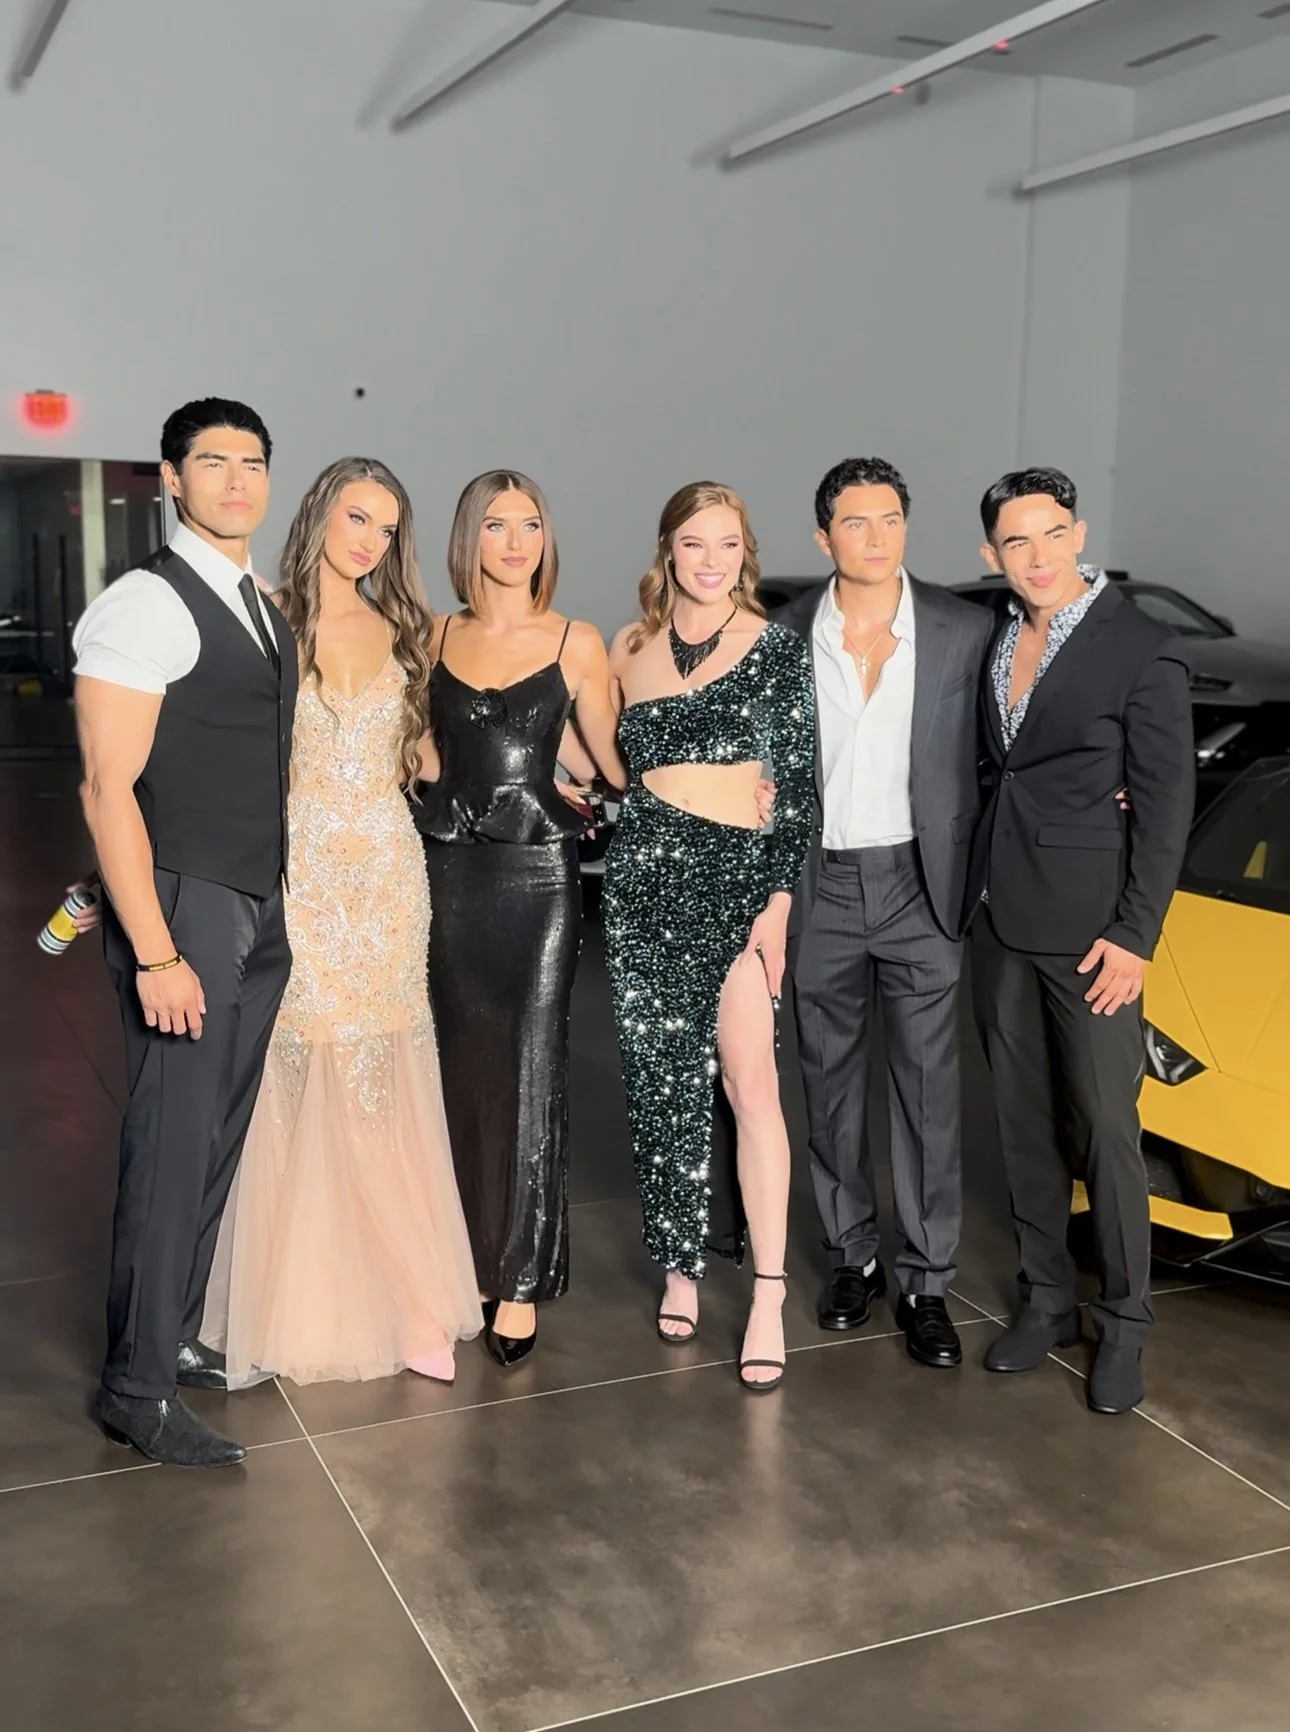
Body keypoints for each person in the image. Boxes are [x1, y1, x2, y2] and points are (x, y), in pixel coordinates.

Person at [198, 459, 482, 1387]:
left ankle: (409, 1299)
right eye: (358, 518)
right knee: (300, 1064)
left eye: (387, 528)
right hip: (303, 875)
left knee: (381, 1071)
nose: (371, 541)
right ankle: (299, 1297)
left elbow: (428, 754)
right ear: (320, 512)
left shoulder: (407, 626)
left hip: (389, 875)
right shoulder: (266, 618)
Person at [72, 398, 296, 1467]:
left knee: (212, 1137)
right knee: (170, 1146)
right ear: (170, 478)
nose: (237, 480)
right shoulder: (143, 605)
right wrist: (156, 951)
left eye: (253, 462)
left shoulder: (259, 602)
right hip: (187, 904)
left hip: (256, 896)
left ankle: (171, 1335)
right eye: (213, 462)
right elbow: (106, 787)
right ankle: (135, 1391)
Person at [966, 467, 1194, 1415]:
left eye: (1052, 534)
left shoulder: (1142, 648)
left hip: (1095, 936)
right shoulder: (992, 635)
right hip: (998, 918)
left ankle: (1126, 1323)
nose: (1038, 556)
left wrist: (1135, 934)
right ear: (991, 553)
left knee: (1105, 1127)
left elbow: (1167, 806)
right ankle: (1047, 1300)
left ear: (1080, 533)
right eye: (1017, 541)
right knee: (1022, 1125)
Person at [776, 459, 993, 1369]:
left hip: (920, 882)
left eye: (891, 519)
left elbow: (1003, 747)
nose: (877, 537)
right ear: (823, 536)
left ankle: (927, 1282)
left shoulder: (963, 628)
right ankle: (851, 1256)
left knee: (929, 1092)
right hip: (818, 879)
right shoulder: (784, 634)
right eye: (856, 522)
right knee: (827, 1083)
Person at [605, 482, 815, 1392]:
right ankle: (680, 1266)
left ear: (745, 554)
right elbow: (605, 762)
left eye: (728, 544)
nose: (711, 560)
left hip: (736, 881)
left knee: (749, 1083)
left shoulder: (774, 648)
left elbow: (796, 785)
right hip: (644, 880)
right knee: (662, 1088)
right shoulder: (628, 647)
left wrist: (777, 903)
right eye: (694, 542)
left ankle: (768, 1292)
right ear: (668, 550)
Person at [413, 472, 623, 1368]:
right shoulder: (432, 634)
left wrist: (721, 781)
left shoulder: (578, 640)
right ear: (470, 537)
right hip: (449, 872)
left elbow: (612, 762)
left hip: (539, 879)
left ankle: (521, 1279)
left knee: (533, 1065)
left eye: (529, 524)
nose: (514, 541)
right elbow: (422, 751)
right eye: (496, 525)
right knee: (457, 1068)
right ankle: (463, 1261)